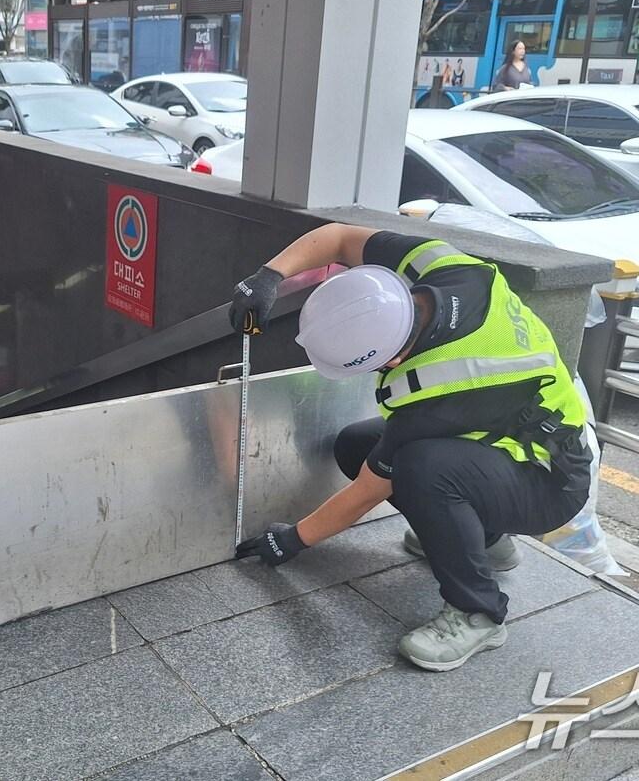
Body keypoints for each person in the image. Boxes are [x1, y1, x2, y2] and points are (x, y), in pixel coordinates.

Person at [229, 224, 592, 672]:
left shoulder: (446, 387)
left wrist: (290, 541)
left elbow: (368, 491)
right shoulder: (447, 269)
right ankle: (484, 541)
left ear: (394, 359)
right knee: (357, 444)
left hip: (548, 481)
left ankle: (478, 613)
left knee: (421, 468)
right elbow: (342, 237)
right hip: (503, 449)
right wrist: (270, 276)